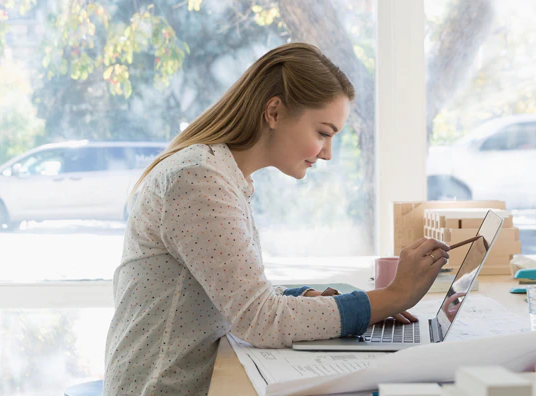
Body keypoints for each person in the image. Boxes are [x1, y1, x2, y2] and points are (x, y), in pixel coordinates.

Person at [103, 42, 450, 395]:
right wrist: (394, 296)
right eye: (323, 133)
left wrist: (317, 299)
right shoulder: (198, 179)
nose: (327, 154)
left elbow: (238, 295)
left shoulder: (222, 174)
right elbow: (259, 319)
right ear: (274, 113)